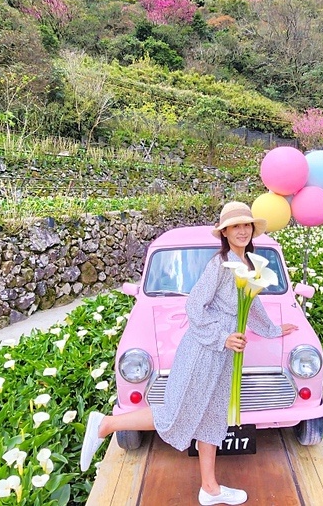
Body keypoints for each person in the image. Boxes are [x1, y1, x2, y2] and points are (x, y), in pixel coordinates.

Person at [80, 201, 298, 506]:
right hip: (204, 349)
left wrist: (274, 330)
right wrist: (223, 337)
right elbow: (193, 306)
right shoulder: (219, 265)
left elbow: (252, 305)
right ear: (225, 232)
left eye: (246, 225)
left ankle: (209, 488)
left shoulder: (248, 263)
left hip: (223, 354)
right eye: (236, 226)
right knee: (174, 413)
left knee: (212, 418)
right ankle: (105, 424)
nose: (242, 230)